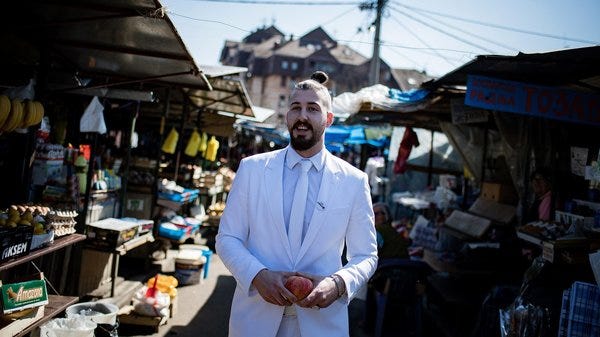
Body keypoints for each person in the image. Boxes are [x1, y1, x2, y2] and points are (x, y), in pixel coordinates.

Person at [216, 71, 378, 337]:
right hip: (255, 320)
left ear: (328, 119)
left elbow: (366, 255)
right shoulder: (252, 169)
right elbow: (227, 238)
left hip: (322, 324)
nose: (302, 116)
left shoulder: (354, 181)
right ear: (287, 116)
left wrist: (338, 284)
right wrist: (257, 275)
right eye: (296, 107)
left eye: (312, 109)